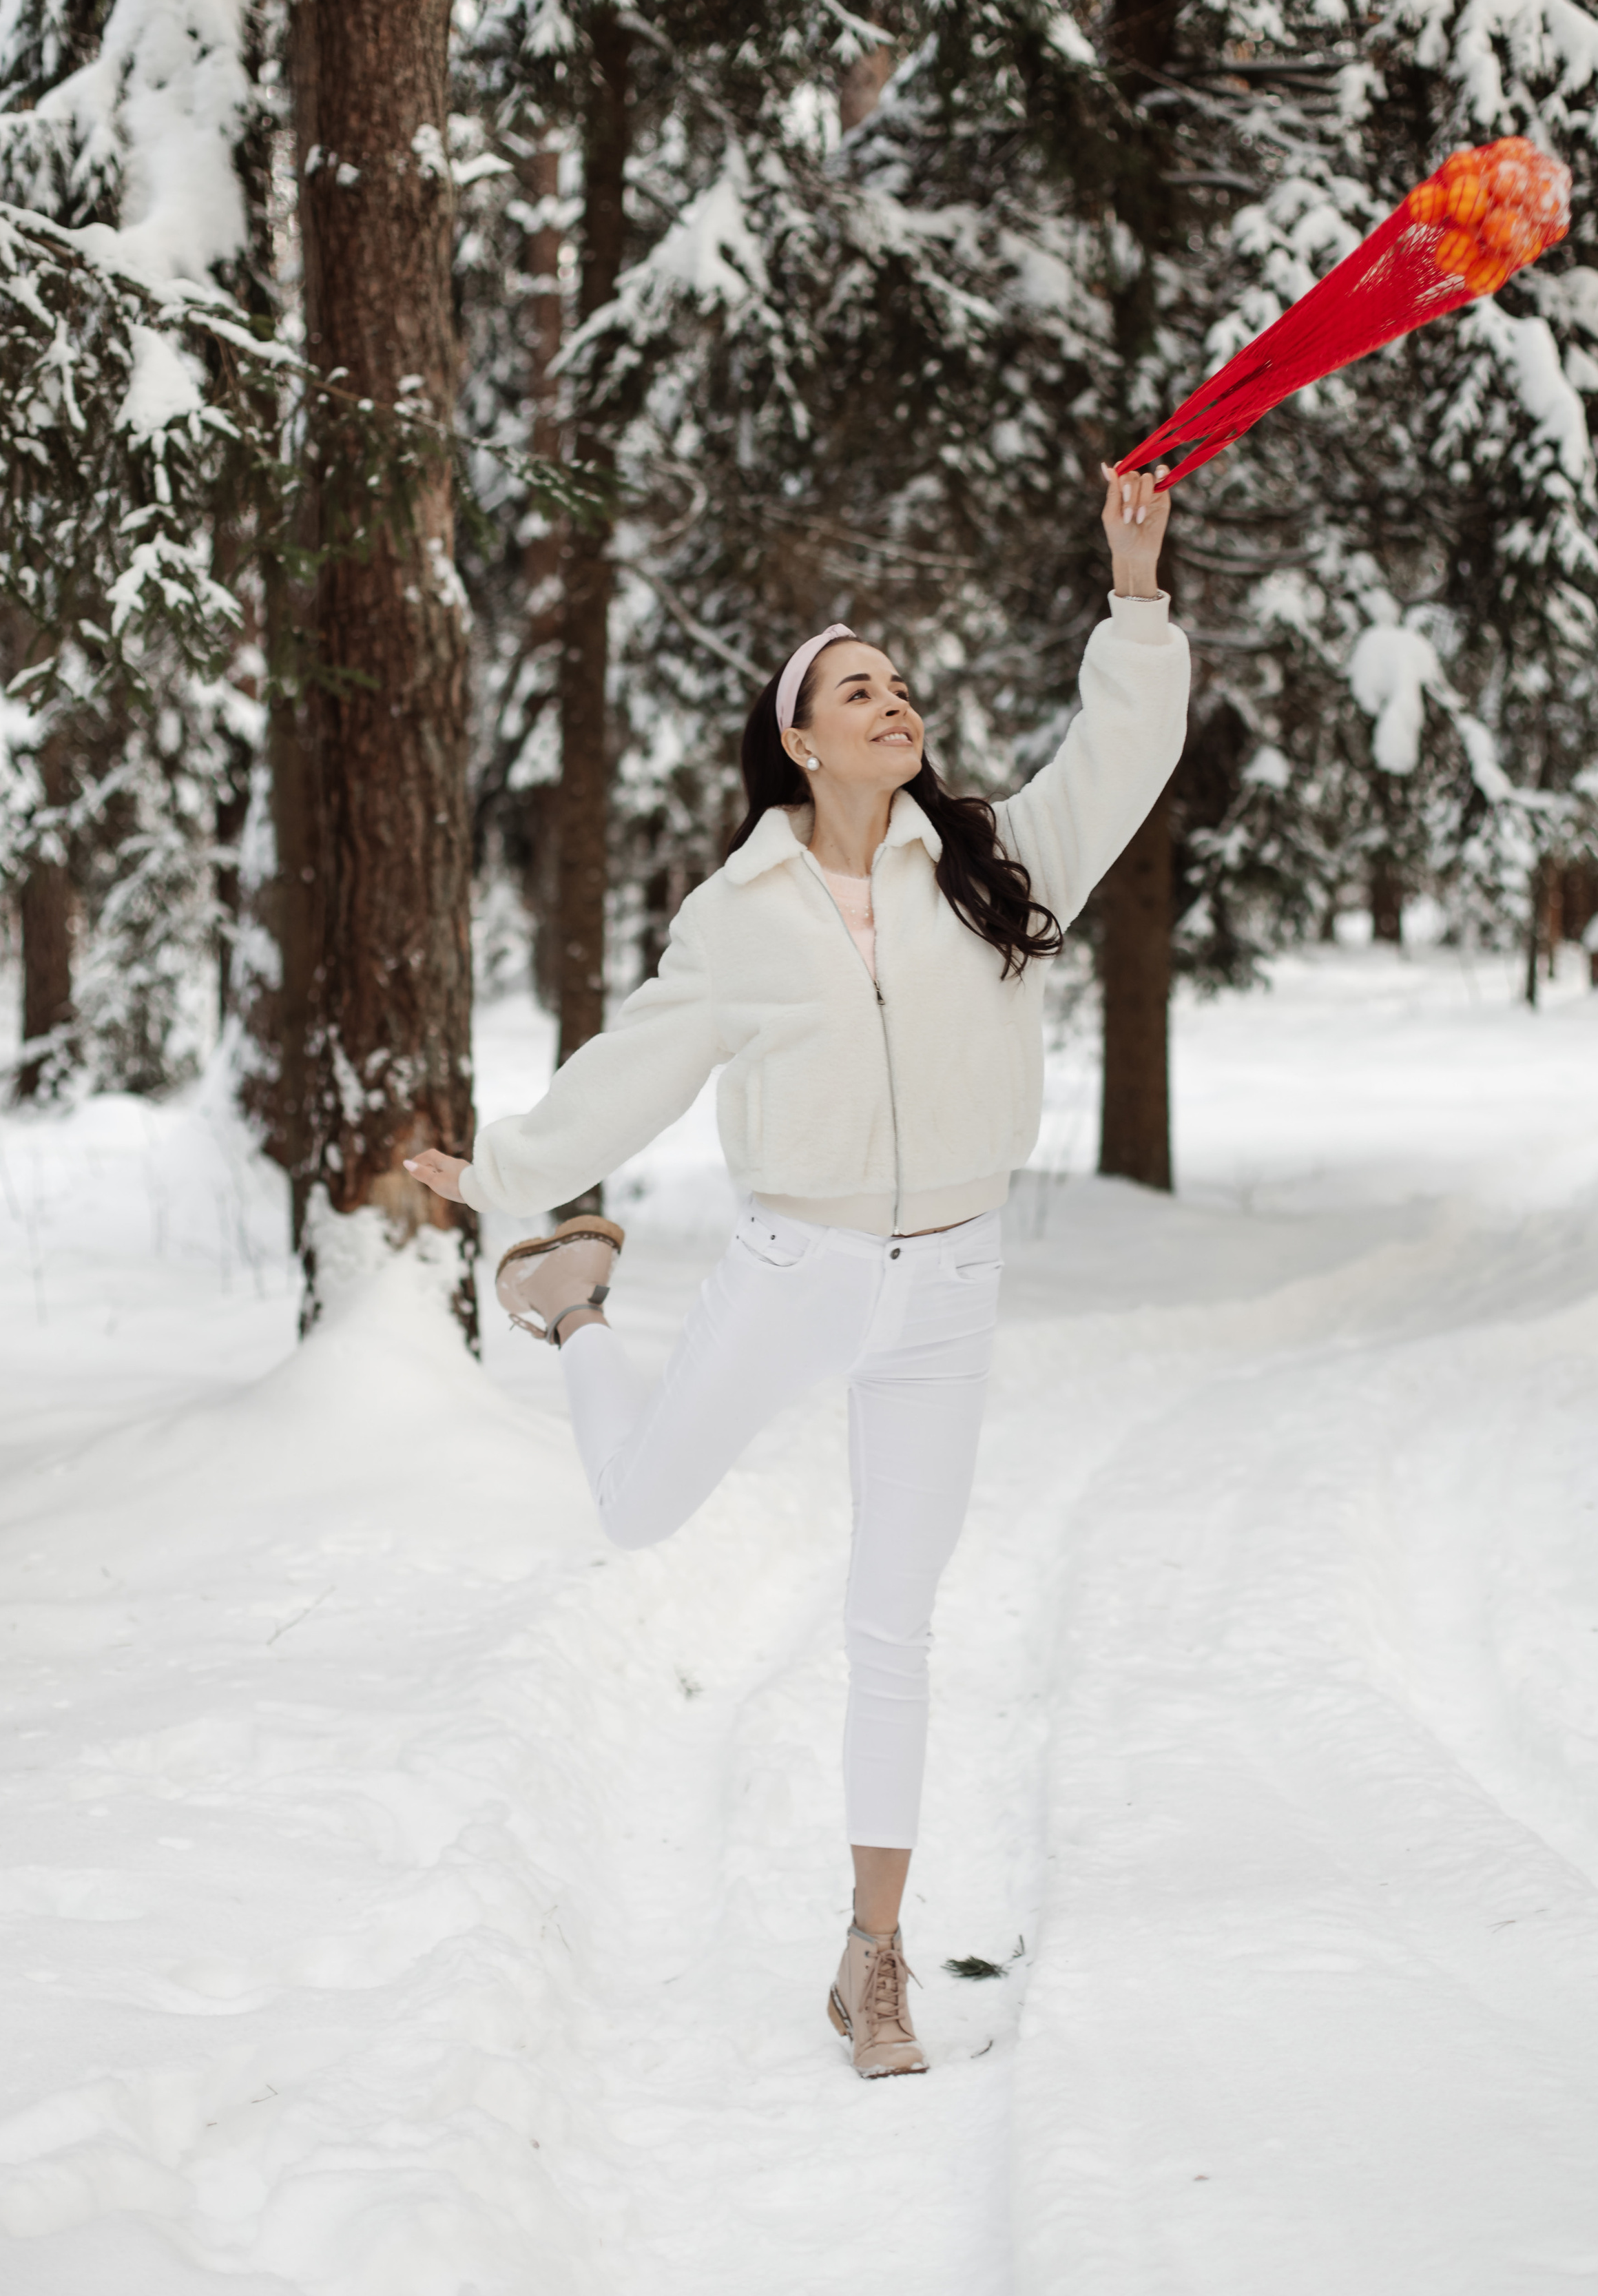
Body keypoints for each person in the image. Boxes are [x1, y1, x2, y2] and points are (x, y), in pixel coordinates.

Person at [405, 462, 1188, 2076]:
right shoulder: (740, 915)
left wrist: (1133, 592)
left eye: (899, 685)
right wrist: (501, 1181)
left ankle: (871, 1957)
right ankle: (574, 1307)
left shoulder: (989, 863)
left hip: (946, 1283)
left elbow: (1121, 753)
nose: (893, 702)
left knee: (890, 1620)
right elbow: (631, 1069)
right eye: (857, 690)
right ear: (800, 742)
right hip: (796, 1268)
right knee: (638, 1510)